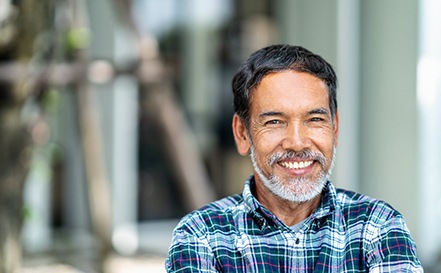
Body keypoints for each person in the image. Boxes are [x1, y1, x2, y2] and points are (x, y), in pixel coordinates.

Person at [165, 44, 423, 272]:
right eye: (275, 121)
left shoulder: (377, 226)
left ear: (334, 129)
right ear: (242, 134)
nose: (297, 142)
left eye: (315, 120)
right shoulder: (203, 235)